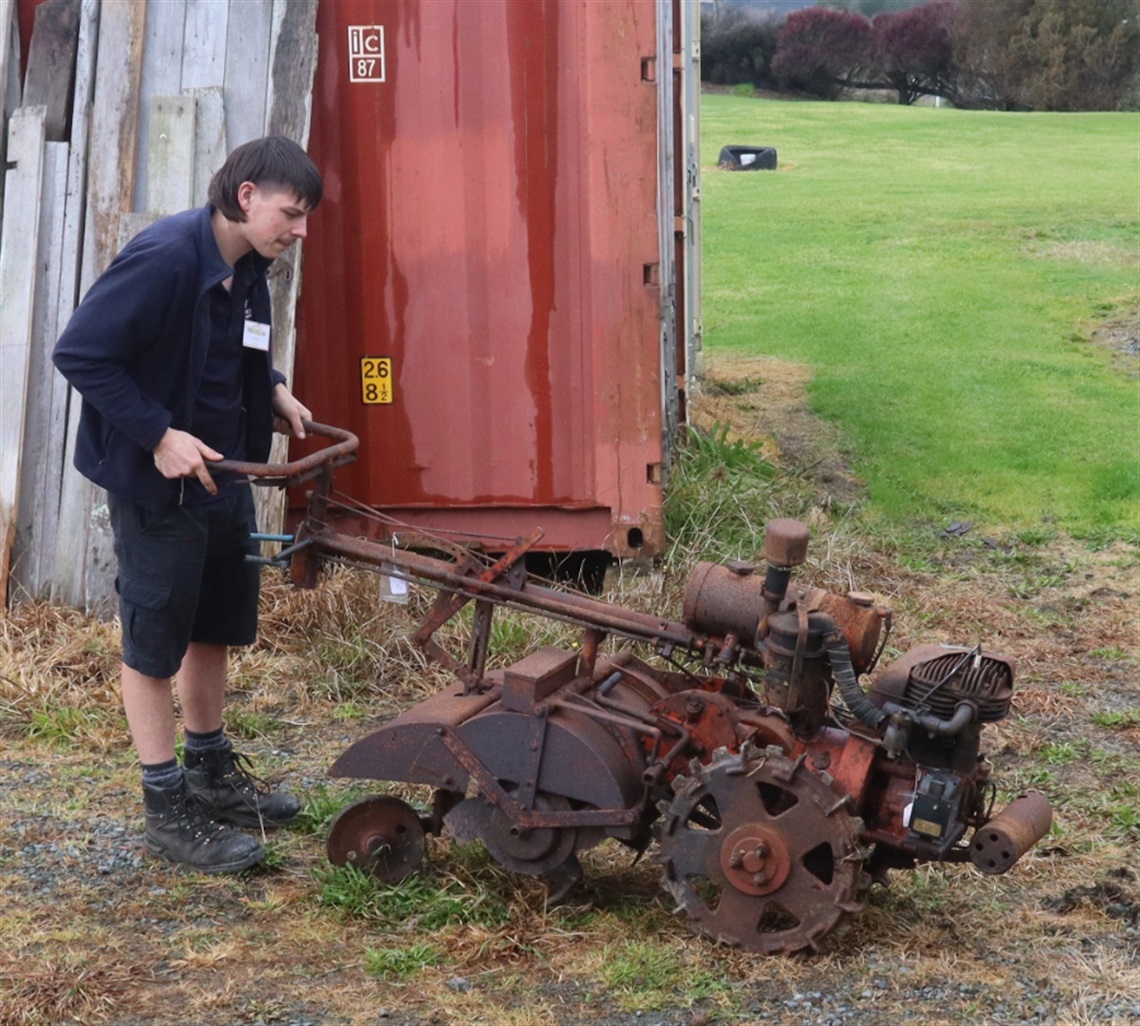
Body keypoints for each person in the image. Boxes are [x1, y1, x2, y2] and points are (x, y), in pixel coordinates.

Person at [52, 136, 324, 873]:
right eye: (290, 214)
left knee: (213, 627)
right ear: (245, 197)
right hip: (159, 483)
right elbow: (80, 353)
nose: (298, 231)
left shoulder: (252, 268)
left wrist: (271, 390)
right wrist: (158, 435)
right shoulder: (166, 257)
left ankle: (209, 770)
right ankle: (165, 806)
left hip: (224, 473)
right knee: (154, 638)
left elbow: (242, 348)